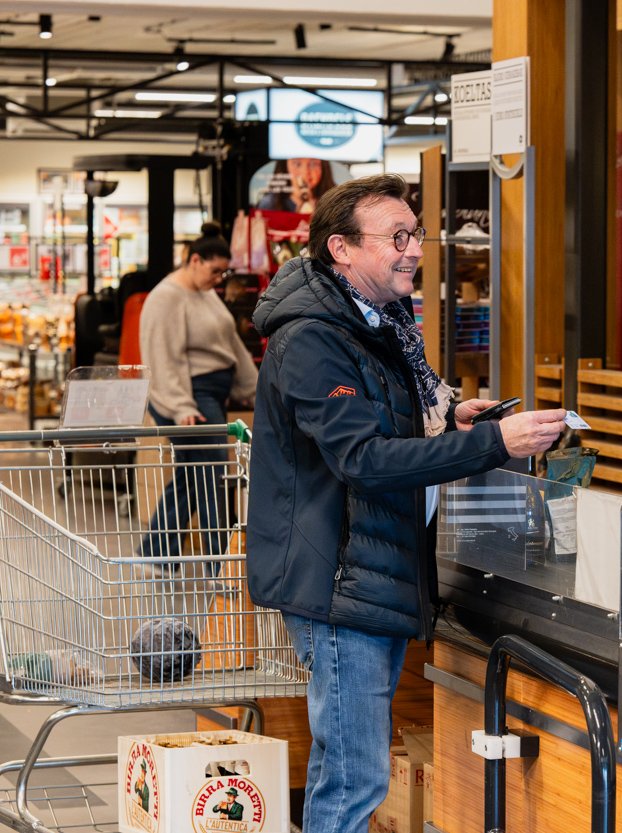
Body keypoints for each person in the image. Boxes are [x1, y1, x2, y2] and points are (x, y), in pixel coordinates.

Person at [246, 172, 566, 833]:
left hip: (372, 571)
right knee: (355, 775)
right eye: (396, 237)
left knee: (351, 768)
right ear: (341, 248)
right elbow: (363, 460)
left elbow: (382, 430)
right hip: (339, 580)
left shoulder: (375, 325)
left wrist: (450, 423)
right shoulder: (313, 339)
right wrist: (494, 443)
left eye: (415, 233)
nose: (415, 248)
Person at [137, 230, 257, 571]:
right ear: (194, 260)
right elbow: (162, 356)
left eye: (224, 273)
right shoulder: (166, 297)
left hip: (209, 395)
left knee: (194, 474)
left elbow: (230, 343)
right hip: (190, 396)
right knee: (212, 473)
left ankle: (156, 551)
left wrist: (253, 386)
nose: (219, 279)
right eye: (214, 271)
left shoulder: (205, 294)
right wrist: (181, 405)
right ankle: (220, 562)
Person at [258, 158, 336, 214]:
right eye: (297, 164)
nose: (305, 172)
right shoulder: (269, 204)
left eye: (313, 164)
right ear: (285, 166)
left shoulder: (335, 202)